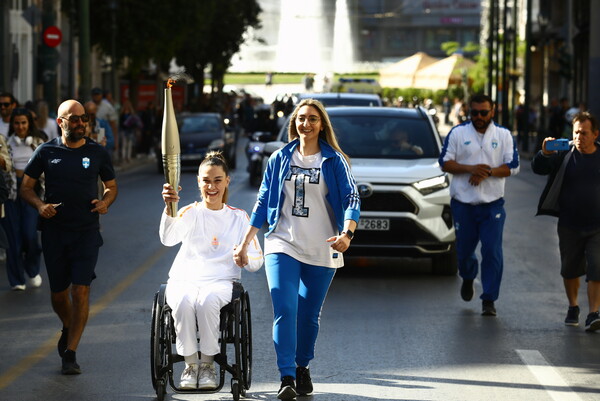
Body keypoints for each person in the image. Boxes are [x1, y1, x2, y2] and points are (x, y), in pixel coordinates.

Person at [233, 99, 360, 400]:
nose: (306, 124)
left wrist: (347, 234)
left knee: (308, 316)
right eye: (301, 118)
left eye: (313, 119)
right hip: (282, 242)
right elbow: (263, 201)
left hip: (323, 245)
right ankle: (286, 375)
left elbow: (352, 199)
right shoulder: (279, 158)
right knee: (285, 309)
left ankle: (303, 366)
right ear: (294, 123)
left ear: (321, 124)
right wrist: (247, 239)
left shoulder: (333, 160)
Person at [20, 99, 117, 375]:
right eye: (73, 119)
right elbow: (26, 187)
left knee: (81, 290)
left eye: (83, 118)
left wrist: (105, 202)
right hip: (54, 233)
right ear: (60, 122)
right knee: (59, 294)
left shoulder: (97, 153)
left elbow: (111, 187)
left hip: (86, 232)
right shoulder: (46, 151)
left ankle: (70, 352)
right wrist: (40, 206)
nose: (80, 123)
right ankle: (68, 324)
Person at [160, 151, 263, 390]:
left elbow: (257, 261)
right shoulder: (189, 212)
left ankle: (207, 365)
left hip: (221, 281)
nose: (212, 186)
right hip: (184, 279)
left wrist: (244, 256)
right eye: (206, 180)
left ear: (227, 181)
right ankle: (190, 365)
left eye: (217, 180)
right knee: (184, 301)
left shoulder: (239, 218)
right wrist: (169, 208)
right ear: (198, 182)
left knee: (206, 301)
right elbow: (167, 238)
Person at [439, 94, 520, 316]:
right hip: (463, 204)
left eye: (484, 113)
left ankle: (489, 299)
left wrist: (488, 172)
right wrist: (471, 169)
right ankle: (467, 276)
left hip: (492, 205)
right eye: (475, 113)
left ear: (492, 111)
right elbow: (445, 162)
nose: (479, 117)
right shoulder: (458, 133)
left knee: (492, 250)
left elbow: (513, 165)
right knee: (464, 252)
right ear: (469, 112)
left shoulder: (503, 135)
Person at [532, 111, 600, 332]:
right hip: (569, 224)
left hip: (597, 226)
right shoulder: (564, 154)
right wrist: (544, 152)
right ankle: (573, 306)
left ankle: (593, 313)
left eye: (584, 133)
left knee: (597, 268)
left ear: (595, 134)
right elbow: (538, 168)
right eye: (576, 132)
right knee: (570, 270)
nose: (580, 137)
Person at [3, 108, 46, 291]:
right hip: (11, 194)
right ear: (12, 125)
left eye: (23, 123)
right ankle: (16, 279)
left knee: (30, 235)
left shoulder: (38, 143)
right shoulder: (5, 143)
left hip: (31, 193)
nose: (20, 126)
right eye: (17, 123)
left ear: (29, 124)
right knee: (13, 239)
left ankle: (32, 269)